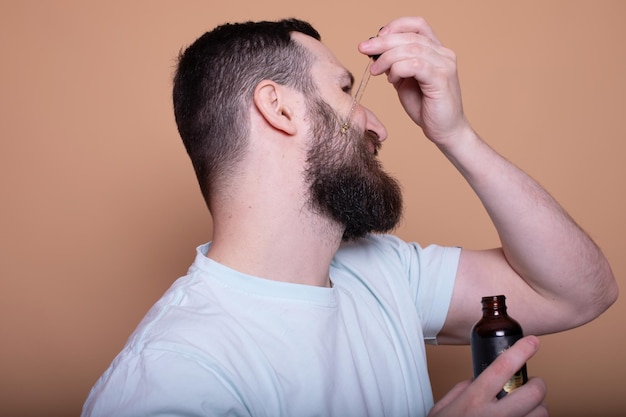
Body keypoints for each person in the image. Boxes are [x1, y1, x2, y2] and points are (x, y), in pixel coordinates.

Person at [81, 16, 618, 417]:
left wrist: (455, 134)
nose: (380, 127)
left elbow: (577, 292)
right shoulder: (175, 373)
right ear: (280, 109)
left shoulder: (386, 272)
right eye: (344, 89)